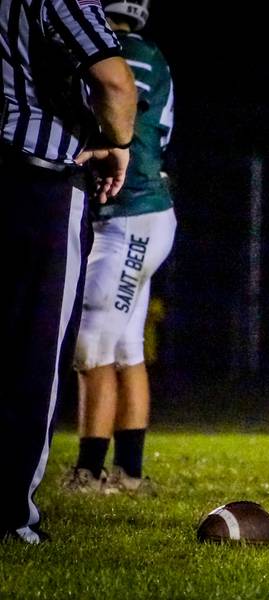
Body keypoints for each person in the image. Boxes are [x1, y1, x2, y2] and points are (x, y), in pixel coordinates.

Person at [0, 0, 137, 543]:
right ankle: (10, 516)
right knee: (32, 353)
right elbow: (115, 82)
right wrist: (120, 145)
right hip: (34, 182)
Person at [63, 0, 176, 495]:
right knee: (125, 346)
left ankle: (89, 471)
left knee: (92, 344)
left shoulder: (106, 54)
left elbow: (108, 101)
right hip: (147, 212)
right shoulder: (152, 53)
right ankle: (129, 472)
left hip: (129, 214)